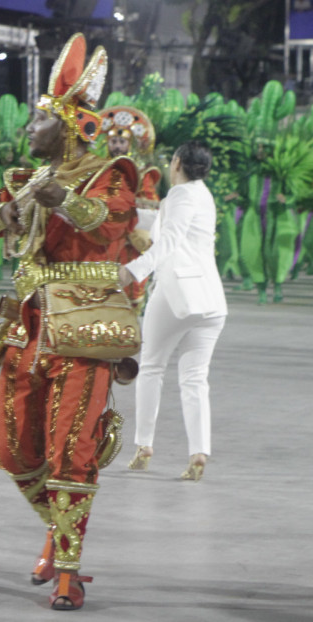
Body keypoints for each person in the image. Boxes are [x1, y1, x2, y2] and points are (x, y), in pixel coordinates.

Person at [0, 34, 138, 611]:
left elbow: (109, 226)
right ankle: (57, 525)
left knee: (72, 447)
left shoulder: (111, 173)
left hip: (83, 328)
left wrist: (61, 197)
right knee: (12, 446)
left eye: (40, 118)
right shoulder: (29, 175)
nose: (30, 127)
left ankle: (68, 568)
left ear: (67, 125)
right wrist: (5, 210)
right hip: (28, 325)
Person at [120, 141, 227, 481]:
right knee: (195, 378)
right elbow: (162, 230)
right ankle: (198, 451)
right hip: (211, 300)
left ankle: (144, 446)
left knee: (151, 366)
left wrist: (132, 270)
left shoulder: (180, 196)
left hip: (178, 293)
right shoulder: (203, 195)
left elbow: (168, 243)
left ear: (177, 163)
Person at [100, 106, 161, 311]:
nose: (117, 146)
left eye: (122, 142)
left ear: (130, 144)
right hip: (103, 238)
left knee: (132, 290)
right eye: (114, 142)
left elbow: (150, 203)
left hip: (130, 239)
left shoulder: (142, 173)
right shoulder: (97, 170)